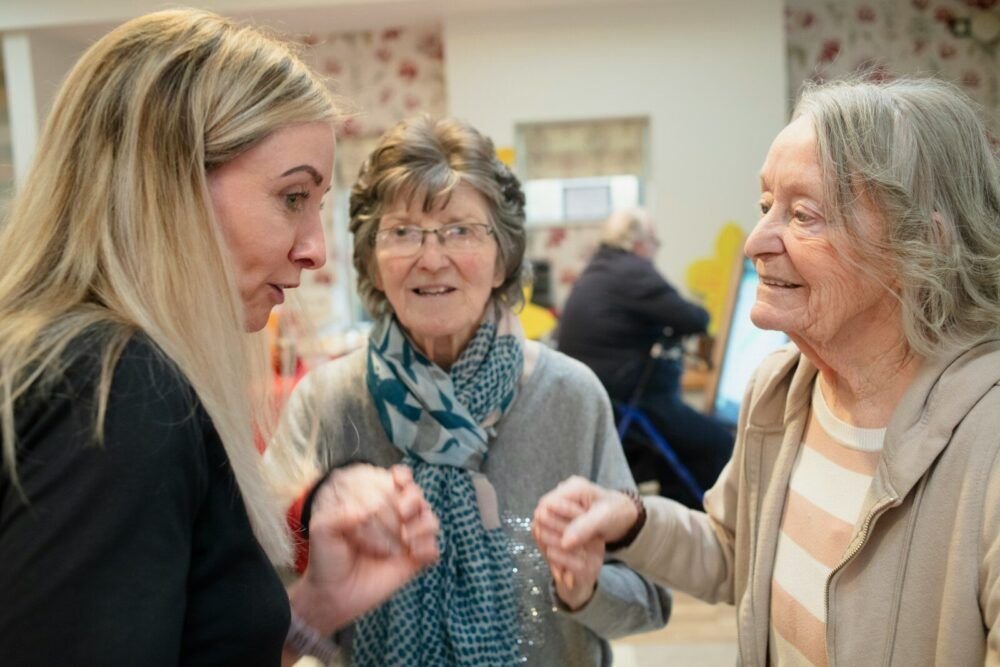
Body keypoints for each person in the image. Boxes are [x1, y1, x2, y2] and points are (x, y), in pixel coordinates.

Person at [0, 10, 439, 665]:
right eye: (293, 196)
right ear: (166, 183)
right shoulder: (115, 384)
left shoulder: (89, 364)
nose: (316, 249)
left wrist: (313, 606)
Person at [534, 77, 1000, 665]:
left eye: (803, 215)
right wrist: (631, 521)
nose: (756, 241)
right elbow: (736, 552)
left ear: (922, 248)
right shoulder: (782, 389)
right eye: (764, 207)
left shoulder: (988, 443)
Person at [264, 116, 670, 666]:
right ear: (371, 262)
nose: (432, 258)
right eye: (402, 231)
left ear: (503, 257)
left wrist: (586, 589)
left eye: (460, 230)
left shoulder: (571, 396)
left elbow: (649, 602)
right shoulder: (327, 404)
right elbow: (259, 603)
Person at [557, 208, 734, 507]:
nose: (655, 250)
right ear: (640, 242)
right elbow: (692, 318)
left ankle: (678, 513)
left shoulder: (599, 269)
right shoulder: (632, 271)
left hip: (602, 398)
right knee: (718, 442)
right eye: (655, 242)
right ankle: (708, 524)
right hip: (627, 397)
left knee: (671, 448)